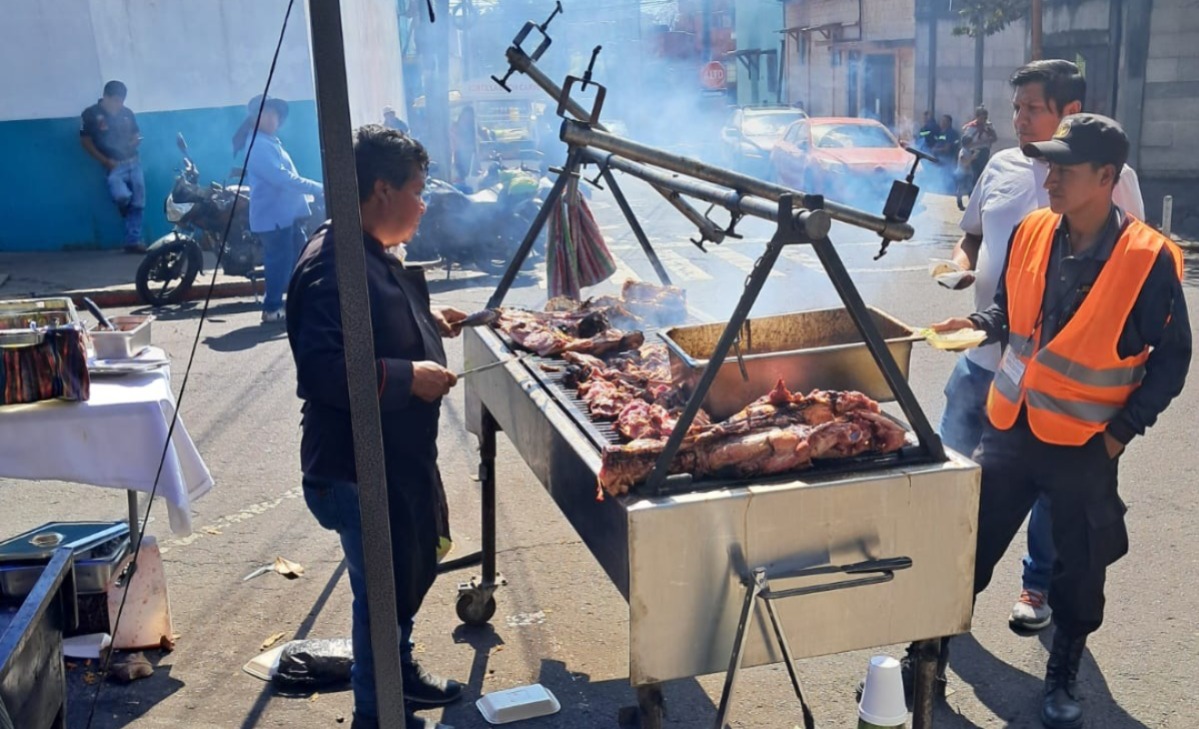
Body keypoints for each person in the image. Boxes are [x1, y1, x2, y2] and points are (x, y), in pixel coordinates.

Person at [931, 113, 1189, 728]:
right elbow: (1008, 311)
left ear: (1107, 177)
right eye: (1047, 165)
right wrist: (978, 326)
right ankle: (929, 653)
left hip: (1085, 446)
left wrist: (1121, 433)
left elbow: (1172, 360)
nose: (1049, 179)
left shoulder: (1148, 258)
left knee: (1079, 572)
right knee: (968, 549)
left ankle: (1062, 673)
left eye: (1064, 169)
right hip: (1011, 427)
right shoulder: (1032, 230)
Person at [939, 59, 1145, 634]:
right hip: (992, 376)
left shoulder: (1121, 197)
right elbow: (983, 248)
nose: (1019, 119)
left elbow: (1133, 286)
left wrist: (1120, 428)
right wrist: (971, 298)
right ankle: (934, 616)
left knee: (1060, 520)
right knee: (956, 487)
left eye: (1033, 108)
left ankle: (1041, 596)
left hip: (1066, 399)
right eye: (1016, 108)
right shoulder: (1008, 178)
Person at [286, 125, 467, 729]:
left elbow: (374, 317)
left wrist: (426, 317)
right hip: (356, 468)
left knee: (404, 571)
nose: (424, 203)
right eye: (418, 190)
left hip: (396, 460)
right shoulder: (331, 265)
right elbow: (322, 369)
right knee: (379, 599)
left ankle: (400, 676)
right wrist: (405, 374)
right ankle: (377, 713)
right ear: (381, 189)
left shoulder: (366, 247)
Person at [241, 95, 323, 323]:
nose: (271, 119)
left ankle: (305, 304)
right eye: (265, 114)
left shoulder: (269, 141)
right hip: (274, 218)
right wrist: (317, 188)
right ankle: (272, 308)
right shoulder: (258, 144)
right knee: (279, 263)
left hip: (286, 216)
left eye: (274, 114)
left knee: (303, 259)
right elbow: (282, 178)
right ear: (255, 118)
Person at [80, 80, 145, 253]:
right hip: (113, 165)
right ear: (105, 97)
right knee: (122, 196)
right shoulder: (91, 114)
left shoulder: (127, 113)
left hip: (133, 161)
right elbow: (86, 142)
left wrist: (134, 142)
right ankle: (124, 207)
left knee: (138, 203)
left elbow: (136, 134)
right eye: (115, 100)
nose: (118, 105)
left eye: (121, 101)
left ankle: (133, 241)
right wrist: (105, 161)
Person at [955, 106, 999, 210]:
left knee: (981, 176)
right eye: (981, 117)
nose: (983, 120)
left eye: (985, 117)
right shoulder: (971, 127)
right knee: (971, 177)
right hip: (972, 152)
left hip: (983, 152)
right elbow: (966, 141)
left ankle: (978, 198)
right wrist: (978, 143)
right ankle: (969, 199)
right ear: (977, 117)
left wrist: (989, 136)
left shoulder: (988, 126)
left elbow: (995, 138)